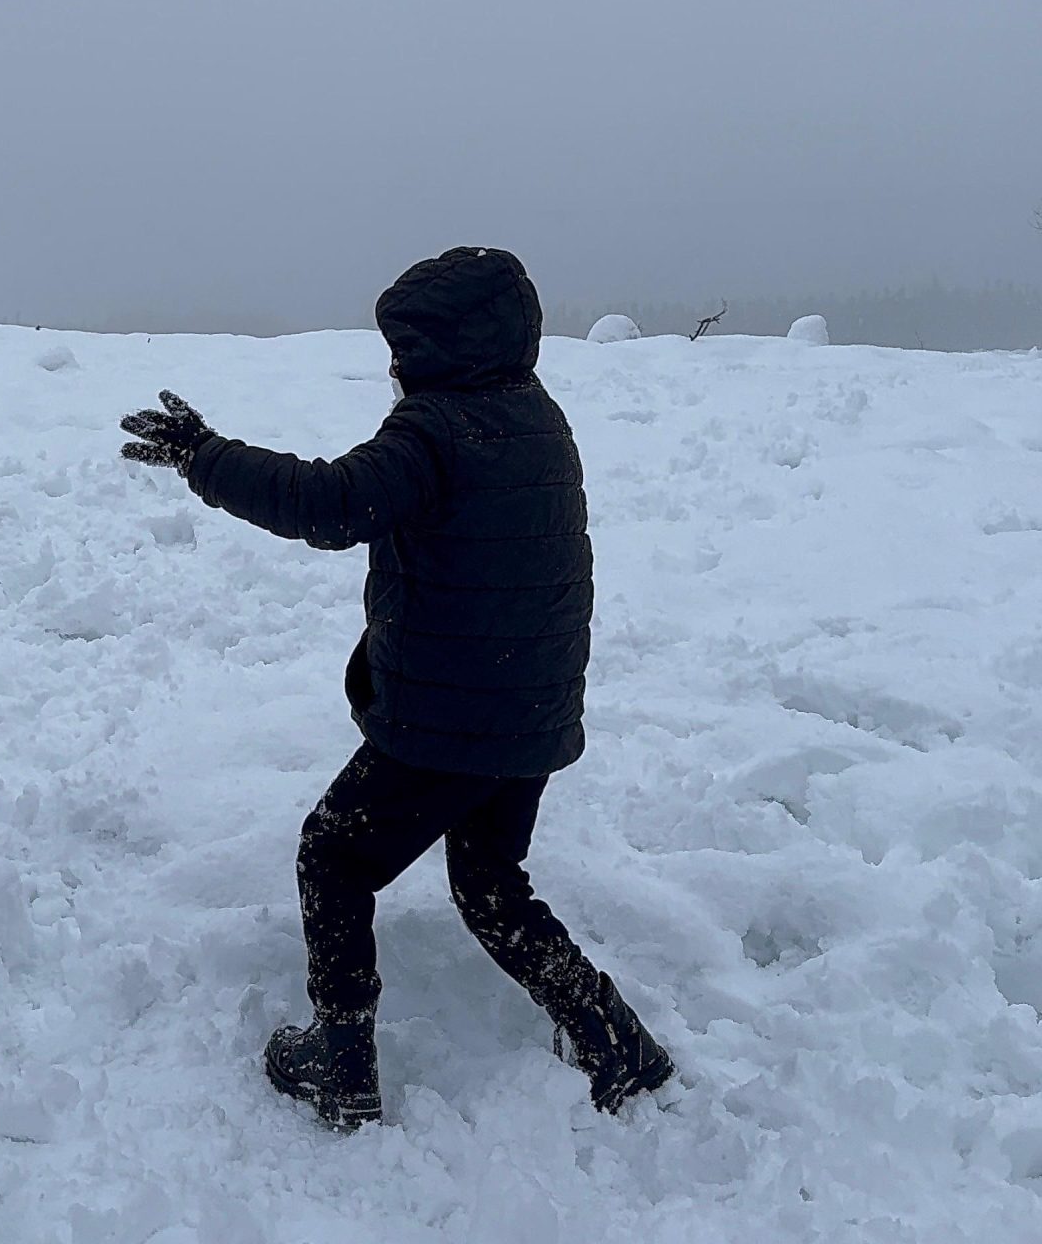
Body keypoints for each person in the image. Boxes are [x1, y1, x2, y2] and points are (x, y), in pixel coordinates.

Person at [118, 246, 673, 1131]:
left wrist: (205, 457)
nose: (394, 364)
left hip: (454, 715)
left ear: (443, 346)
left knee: (334, 857)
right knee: (491, 882)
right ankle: (614, 1039)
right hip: (527, 708)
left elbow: (329, 503)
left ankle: (340, 1058)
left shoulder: (433, 432)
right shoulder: (536, 416)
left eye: (405, 346)